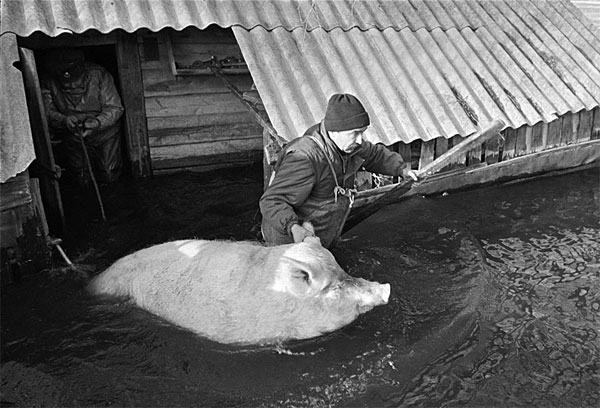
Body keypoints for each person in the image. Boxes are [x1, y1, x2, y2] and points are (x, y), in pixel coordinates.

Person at [260, 93, 417, 249]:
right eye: (355, 133)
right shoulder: (304, 158)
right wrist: (294, 228)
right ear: (334, 131)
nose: (360, 140)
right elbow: (272, 201)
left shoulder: (348, 145)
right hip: (289, 244)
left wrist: (402, 170)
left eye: (362, 132)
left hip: (320, 236)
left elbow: (373, 154)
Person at [41, 48, 124, 187]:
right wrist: (63, 120)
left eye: (75, 81)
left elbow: (115, 108)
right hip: (73, 134)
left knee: (109, 173)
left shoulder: (100, 75)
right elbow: (45, 111)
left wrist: (97, 122)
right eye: (66, 83)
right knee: (81, 175)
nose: (72, 86)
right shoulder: (48, 80)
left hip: (106, 133)